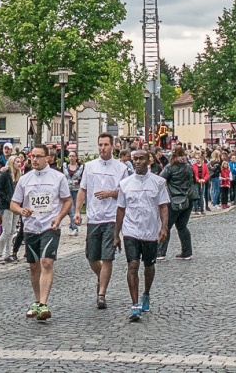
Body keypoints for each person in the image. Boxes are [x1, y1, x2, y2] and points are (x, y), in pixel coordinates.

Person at [10, 144, 72, 321]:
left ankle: (44, 304)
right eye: (32, 156)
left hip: (49, 226)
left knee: (46, 262)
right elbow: (14, 204)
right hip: (31, 227)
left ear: (47, 158)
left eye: (38, 156)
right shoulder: (25, 179)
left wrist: (59, 218)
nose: (34, 160)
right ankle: (37, 301)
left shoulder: (58, 178)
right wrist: (21, 211)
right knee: (34, 266)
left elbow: (67, 201)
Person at [73, 133, 128, 309]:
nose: (103, 148)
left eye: (106, 145)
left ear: (112, 146)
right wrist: (77, 211)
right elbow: (82, 190)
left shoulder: (121, 168)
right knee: (92, 257)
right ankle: (101, 276)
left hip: (111, 218)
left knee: (107, 257)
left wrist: (111, 193)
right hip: (94, 217)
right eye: (100, 145)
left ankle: (102, 293)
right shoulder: (89, 167)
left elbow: (126, 192)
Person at [114, 149, 169, 322]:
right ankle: (135, 303)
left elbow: (163, 207)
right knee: (133, 264)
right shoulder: (125, 184)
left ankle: (146, 293)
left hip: (150, 230)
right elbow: (120, 209)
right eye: (134, 159)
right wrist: (116, 234)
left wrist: (164, 228)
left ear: (148, 161)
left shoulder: (159, 183)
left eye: (141, 159)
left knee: (148, 266)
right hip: (130, 230)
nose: (137, 162)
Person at [158, 145, 195, 261]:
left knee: (166, 226)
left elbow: (160, 180)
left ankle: (160, 252)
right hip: (188, 199)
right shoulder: (188, 167)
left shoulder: (170, 167)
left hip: (174, 199)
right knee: (182, 226)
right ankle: (187, 252)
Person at [0, 154, 23, 264]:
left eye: (20, 162)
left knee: (12, 231)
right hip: (6, 206)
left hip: (16, 205)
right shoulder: (5, 174)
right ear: (12, 163)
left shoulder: (19, 175)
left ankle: (8, 254)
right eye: (17, 162)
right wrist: (6, 198)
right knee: (6, 231)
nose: (19, 164)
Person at [63, 150, 83, 236]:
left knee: (76, 209)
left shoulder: (80, 167)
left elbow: (82, 179)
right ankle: (74, 227)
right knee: (71, 209)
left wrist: (77, 181)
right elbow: (62, 177)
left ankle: (73, 225)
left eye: (73, 156)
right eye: (70, 156)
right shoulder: (65, 166)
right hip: (67, 189)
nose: (71, 158)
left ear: (76, 157)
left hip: (77, 189)